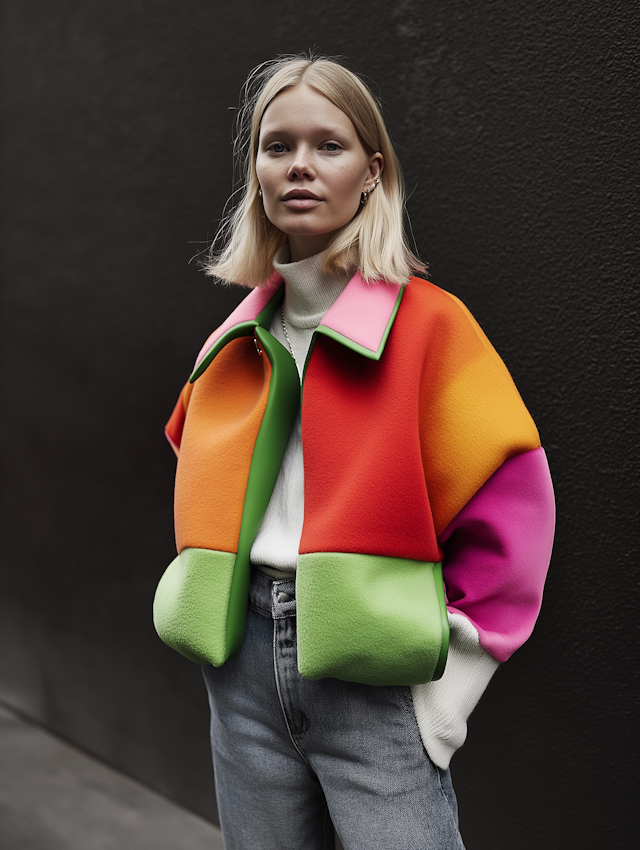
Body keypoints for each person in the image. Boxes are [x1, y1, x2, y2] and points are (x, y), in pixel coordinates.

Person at [154, 54, 555, 850]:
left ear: (372, 172)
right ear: (257, 171)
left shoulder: (432, 327)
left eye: (328, 146)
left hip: (375, 677)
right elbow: (195, 463)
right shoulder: (237, 337)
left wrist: (447, 696)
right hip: (242, 669)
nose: (299, 165)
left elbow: (513, 508)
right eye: (277, 146)